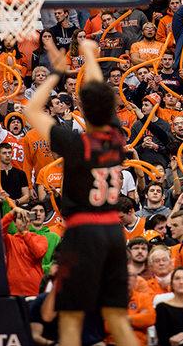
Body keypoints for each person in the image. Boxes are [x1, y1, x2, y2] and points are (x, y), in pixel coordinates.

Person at [23, 39, 139, 346]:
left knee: (72, 318)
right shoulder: (116, 137)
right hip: (114, 232)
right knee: (116, 317)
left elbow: (31, 108)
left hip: (83, 233)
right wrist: (90, 54)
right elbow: (101, 97)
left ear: (82, 110)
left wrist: (55, 73)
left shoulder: (77, 144)